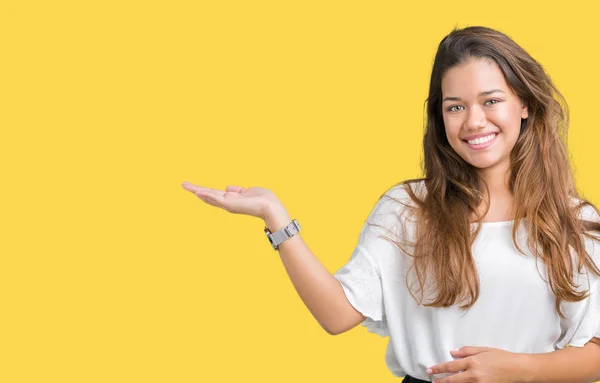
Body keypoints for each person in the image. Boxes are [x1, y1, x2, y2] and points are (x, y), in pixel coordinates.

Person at [182, 26, 600, 383]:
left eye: (491, 101)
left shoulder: (574, 220)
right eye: (455, 106)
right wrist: (276, 217)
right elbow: (338, 315)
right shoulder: (408, 208)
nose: (473, 121)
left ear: (524, 104)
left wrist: (520, 369)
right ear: (441, 117)